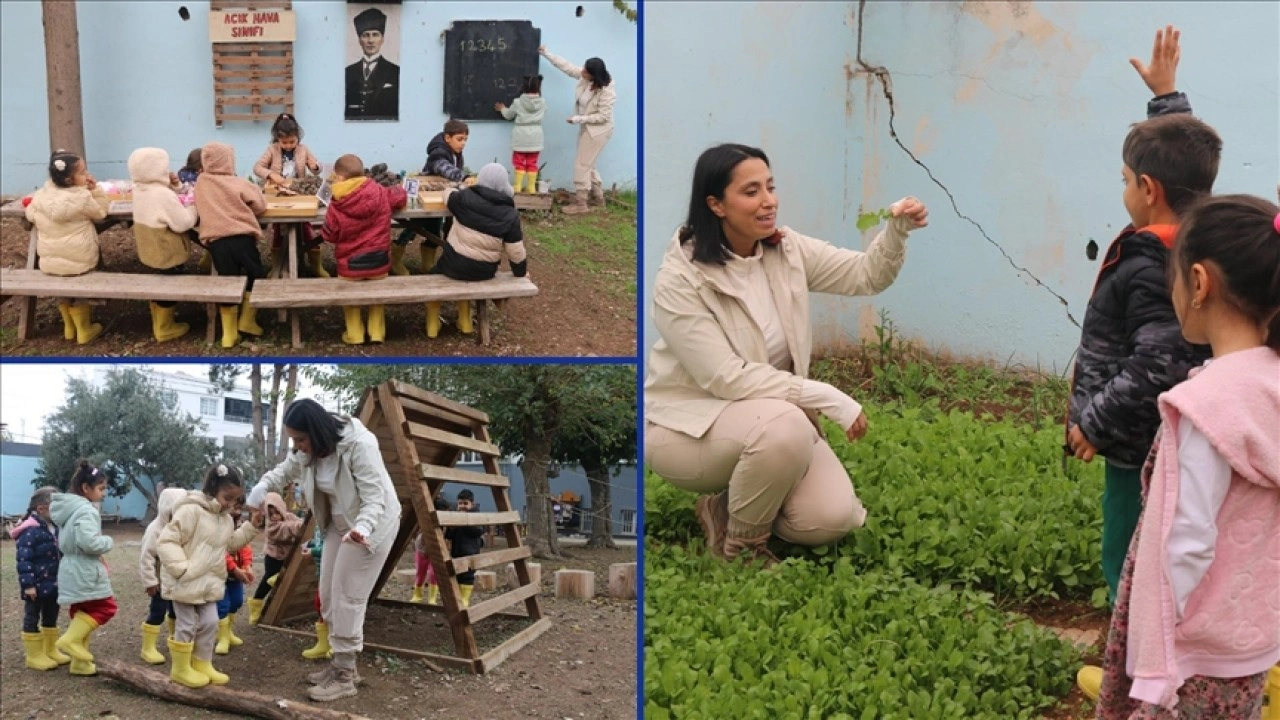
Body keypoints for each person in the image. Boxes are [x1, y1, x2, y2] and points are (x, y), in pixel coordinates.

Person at [644, 143, 929, 567]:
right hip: (687, 429)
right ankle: (742, 548)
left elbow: (866, 277)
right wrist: (826, 397)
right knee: (786, 424)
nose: (768, 201)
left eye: (770, 187)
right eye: (751, 191)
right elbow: (724, 377)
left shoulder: (785, 250)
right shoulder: (680, 280)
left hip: (773, 420)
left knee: (831, 520)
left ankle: (725, 506)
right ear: (716, 204)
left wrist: (896, 231)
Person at [1085, 195, 1280, 718]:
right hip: (1251, 638)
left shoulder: (1207, 405)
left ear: (1198, 283)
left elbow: (1186, 542)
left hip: (1188, 651)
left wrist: (1158, 664)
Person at [1064, 26, 1219, 608]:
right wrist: (1168, 100)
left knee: (1127, 551)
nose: (1124, 188)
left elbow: (1158, 361)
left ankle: (1130, 669)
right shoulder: (1208, 232)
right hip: (1175, 440)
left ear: (1148, 188)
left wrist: (1094, 422)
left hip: (1138, 443)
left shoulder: (1158, 263)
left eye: (1127, 180)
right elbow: (1190, 169)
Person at [244, 398, 402, 702]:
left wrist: (364, 528)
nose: (298, 446)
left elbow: (374, 496)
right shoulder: (307, 451)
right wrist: (262, 488)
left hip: (371, 526)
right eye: (294, 439)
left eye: (300, 439)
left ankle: (345, 675)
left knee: (348, 595)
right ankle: (340, 665)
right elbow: (284, 471)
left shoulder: (360, 444)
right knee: (328, 595)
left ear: (315, 432)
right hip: (336, 526)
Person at [156, 464, 259, 688]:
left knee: (211, 622)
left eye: (235, 499)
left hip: (209, 583)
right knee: (185, 625)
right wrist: (182, 569)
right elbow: (166, 541)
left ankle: (202, 663)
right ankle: (181, 669)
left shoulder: (225, 519)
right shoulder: (190, 510)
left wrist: (251, 527)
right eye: (227, 497)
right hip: (185, 581)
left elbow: (230, 544)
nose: (230, 504)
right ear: (213, 487)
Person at [425, 163, 528, 338]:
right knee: (466, 274)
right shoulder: (510, 214)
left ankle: (432, 325)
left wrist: (457, 186)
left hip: (452, 265)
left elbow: (447, 194)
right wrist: (520, 273)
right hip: (485, 270)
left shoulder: (463, 198)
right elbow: (515, 251)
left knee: (431, 275)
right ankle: (465, 321)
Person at [320, 153, 408, 345]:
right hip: (380, 263)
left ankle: (355, 333)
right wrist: (401, 191)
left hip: (349, 267)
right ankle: (377, 331)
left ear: (340, 177)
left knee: (349, 297)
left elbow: (329, 235)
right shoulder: (380, 191)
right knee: (378, 295)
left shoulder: (337, 202)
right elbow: (400, 197)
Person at [25, 149, 109, 344]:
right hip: (80, 261)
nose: (87, 175)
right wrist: (95, 190)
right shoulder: (82, 198)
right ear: (71, 181)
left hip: (48, 263)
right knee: (78, 280)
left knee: (63, 282)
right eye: (82, 173)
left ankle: (69, 327)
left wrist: (35, 213)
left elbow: (30, 213)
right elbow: (101, 213)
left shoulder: (41, 195)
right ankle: (84, 329)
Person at [195, 142, 269, 348]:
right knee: (256, 275)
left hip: (217, 243)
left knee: (227, 283)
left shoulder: (201, 181)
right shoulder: (237, 182)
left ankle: (229, 335)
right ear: (229, 161)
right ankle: (247, 320)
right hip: (241, 239)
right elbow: (260, 205)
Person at [50, 461, 117, 676]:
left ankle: (79, 663)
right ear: (86, 488)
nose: (104, 493)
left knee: (82, 610)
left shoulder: (69, 509)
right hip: (84, 568)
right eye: (101, 488)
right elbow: (88, 543)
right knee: (105, 607)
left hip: (71, 566)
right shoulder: (86, 511)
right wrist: (107, 541)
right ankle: (70, 641)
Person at [128, 147, 199, 342]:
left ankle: (159, 321)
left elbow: (162, 202)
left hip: (150, 249)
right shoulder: (161, 195)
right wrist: (193, 208)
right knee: (169, 287)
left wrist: (174, 186)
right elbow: (183, 222)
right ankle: (165, 327)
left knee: (160, 282)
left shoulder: (140, 190)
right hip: (168, 250)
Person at [538, 45, 616, 214]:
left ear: (594, 75)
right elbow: (567, 67)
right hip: (587, 126)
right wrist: (547, 54)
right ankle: (598, 197)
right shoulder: (585, 79)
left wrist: (578, 118)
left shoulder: (607, 90)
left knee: (582, 164)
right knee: (589, 163)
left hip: (598, 130)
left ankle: (581, 204)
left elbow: (604, 116)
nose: (582, 72)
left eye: (586, 72)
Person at [392, 119, 473, 275]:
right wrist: (463, 177)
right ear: (447, 138)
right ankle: (395, 258)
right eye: (459, 139)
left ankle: (427, 265)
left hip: (441, 198)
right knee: (414, 226)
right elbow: (444, 168)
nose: (463, 143)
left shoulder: (455, 151)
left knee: (434, 231)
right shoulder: (438, 152)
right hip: (425, 197)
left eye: (465, 140)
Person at [253, 113, 327, 279]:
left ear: (298, 138)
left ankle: (316, 266)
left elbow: (317, 168)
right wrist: (271, 175)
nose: (287, 145)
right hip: (279, 193)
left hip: (298, 192)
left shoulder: (303, 150)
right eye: (284, 142)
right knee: (279, 228)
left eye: (291, 142)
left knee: (306, 227)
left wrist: (315, 166)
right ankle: (277, 266)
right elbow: (257, 168)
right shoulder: (272, 150)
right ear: (277, 139)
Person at [14, 486, 69, 671]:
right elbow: (24, 559)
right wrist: (28, 585)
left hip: (53, 583)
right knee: (32, 617)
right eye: (56, 507)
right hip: (35, 585)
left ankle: (49, 649)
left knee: (51, 615)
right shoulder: (30, 531)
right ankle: (34, 655)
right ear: (41, 509)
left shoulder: (54, 529)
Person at [138, 487, 185, 665]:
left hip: (176, 580)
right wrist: (150, 581)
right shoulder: (155, 529)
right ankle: (147, 647)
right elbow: (146, 557)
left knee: (177, 611)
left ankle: (174, 637)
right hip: (160, 582)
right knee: (158, 611)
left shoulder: (180, 528)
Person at [248, 490, 304, 624]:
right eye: (270, 513)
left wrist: (304, 523)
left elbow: (298, 522)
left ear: (281, 508)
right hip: (273, 557)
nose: (274, 516)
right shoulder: (271, 526)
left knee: (284, 578)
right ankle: (255, 607)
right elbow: (286, 530)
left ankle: (278, 604)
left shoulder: (289, 517)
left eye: (276, 512)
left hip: (286, 556)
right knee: (268, 580)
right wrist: (300, 526)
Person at [344, 7, 399, 121]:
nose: (370, 41)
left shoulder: (395, 71)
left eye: (375, 35)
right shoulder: (348, 72)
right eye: (365, 35)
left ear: (382, 39)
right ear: (359, 40)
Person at [495, 74, 547, 194]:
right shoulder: (543, 102)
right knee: (532, 162)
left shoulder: (518, 102)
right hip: (536, 135)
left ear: (523, 87)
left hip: (521, 135)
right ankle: (531, 187)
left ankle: (517, 186)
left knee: (519, 161)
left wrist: (502, 108)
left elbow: (509, 115)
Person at [215, 503, 253, 655]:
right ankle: (222, 637)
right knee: (222, 605)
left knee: (236, 601)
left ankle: (228, 631)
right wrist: (234, 568)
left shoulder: (238, 524)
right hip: (220, 574)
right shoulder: (216, 525)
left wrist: (247, 565)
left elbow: (244, 546)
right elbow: (220, 551)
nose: (236, 509)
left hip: (235, 576)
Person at [445, 490, 485, 608]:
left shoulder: (476, 516)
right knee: (458, 577)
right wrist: (450, 529)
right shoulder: (456, 517)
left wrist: (463, 522)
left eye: (465, 503)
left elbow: (477, 531)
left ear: (472, 504)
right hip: (457, 553)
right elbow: (449, 536)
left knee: (467, 577)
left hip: (470, 553)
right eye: (460, 503)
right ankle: (458, 600)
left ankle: (465, 600)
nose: (462, 506)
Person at [411, 495, 452, 605]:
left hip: (435, 551)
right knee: (420, 572)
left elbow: (447, 537)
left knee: (433, 574)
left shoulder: (444, 525)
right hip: (422, 550)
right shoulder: (425, 519)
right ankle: (417, 595)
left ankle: (432, 598)